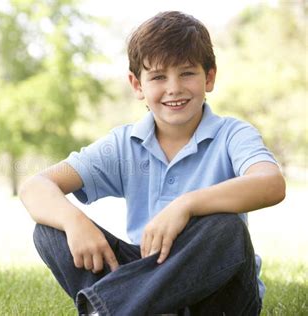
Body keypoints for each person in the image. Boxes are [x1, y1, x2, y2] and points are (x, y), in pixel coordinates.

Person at [19, 11, 286, 316]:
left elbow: (271, 184)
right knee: (50, 230)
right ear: (137, 85)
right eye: (159, 76)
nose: (174, 88)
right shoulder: (123, 144)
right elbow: (35, 186)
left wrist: (188, 204)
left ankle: (106, 310)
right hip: (148, 270)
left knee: (227, 229)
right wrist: (73, 221)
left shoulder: (232, 135)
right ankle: (137, 307)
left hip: (220, 296)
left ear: (209, 77)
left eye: (187, 73)